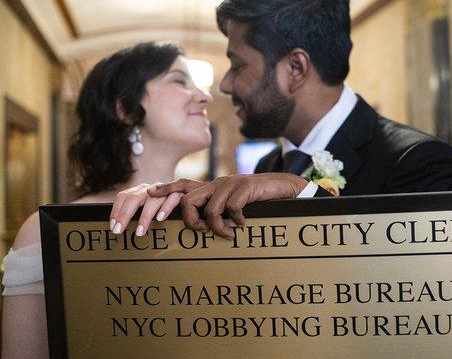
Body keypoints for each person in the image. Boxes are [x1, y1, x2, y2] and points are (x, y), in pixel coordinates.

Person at [1, 42, 308, 358]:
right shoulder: (45, 232)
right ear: (125, 108)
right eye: (178, 80)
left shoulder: (221, 212)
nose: (204, 96)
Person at [111, 0, 452, 236]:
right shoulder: (269, 163)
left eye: (238, 65)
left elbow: (415, 298)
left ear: (295, 68)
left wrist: (303, 193)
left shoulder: (419, 163)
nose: (225, 84)